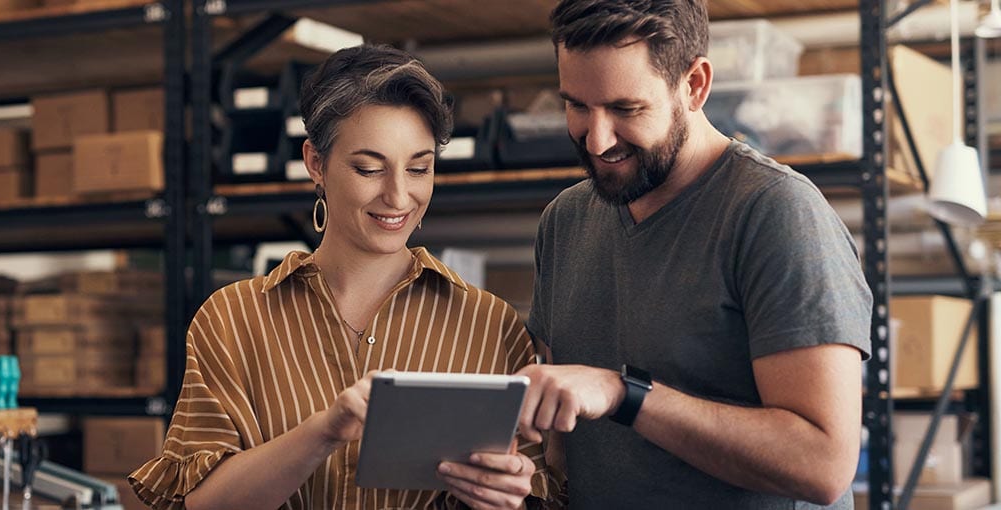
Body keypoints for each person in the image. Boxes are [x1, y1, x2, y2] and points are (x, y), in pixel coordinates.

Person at [129, 44, 565, 510]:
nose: (399, 196)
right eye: (369, 168)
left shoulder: (491, 326)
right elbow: (198, 505)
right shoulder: (232, 320)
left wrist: (508, 493)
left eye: (419, 168)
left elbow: (536, 488)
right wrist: (324, 430)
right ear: (316, 163)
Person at [514, 1, 872, 508]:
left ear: (695, 85)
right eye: (576, 105)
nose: (597, 140)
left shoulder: (775, 213)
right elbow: (562, 443)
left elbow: (823, 465)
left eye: (625, 108)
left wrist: (623, 394)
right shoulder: (564, 221)